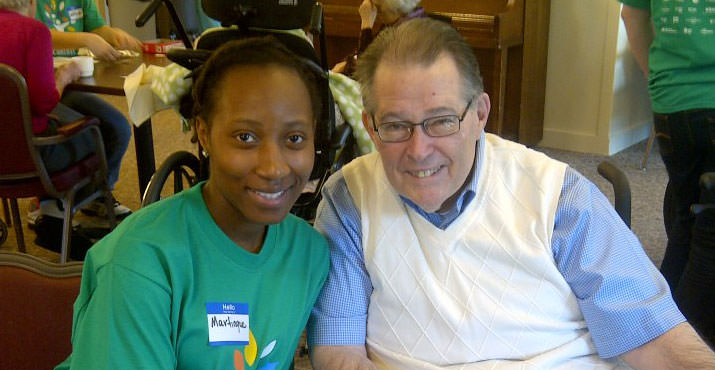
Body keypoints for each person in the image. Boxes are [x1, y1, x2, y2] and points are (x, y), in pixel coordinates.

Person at [307, 18, 715, 369]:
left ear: (480, 114)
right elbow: (339, 353)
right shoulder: (348, 201)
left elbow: (653, 336)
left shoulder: (558, 196)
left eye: (442, 121)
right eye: (396, 126)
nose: (418, 150)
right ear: (370, 124)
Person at [55, 36, 330, 370]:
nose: (274, 167)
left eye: (294, 139)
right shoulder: (140, 264)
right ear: (203, 133)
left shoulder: (309, 252)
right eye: (245, 137)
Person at [620, 1, 715, 345]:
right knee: (708, 239)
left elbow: (631, 15)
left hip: (672, 101)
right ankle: (685, 348)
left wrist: (654, 73)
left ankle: (659, 331)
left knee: (686, 220)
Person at [31, 0, 140, 220]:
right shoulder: (29, 4)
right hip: (40, 86)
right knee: (85, 134)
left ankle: (93, 195)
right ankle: (48, 201)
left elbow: (95, 27)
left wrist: (111, 35)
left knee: (117, 127)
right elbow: (36, 34)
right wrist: (86, 39)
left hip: (71, 81)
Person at [333, 0, 424, 76]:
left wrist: (366, 24)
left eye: (379, 9)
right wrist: (348, 64)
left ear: (394, 9)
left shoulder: (405, 32)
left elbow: (366, 68)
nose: (376, 13)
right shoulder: (399, 22)